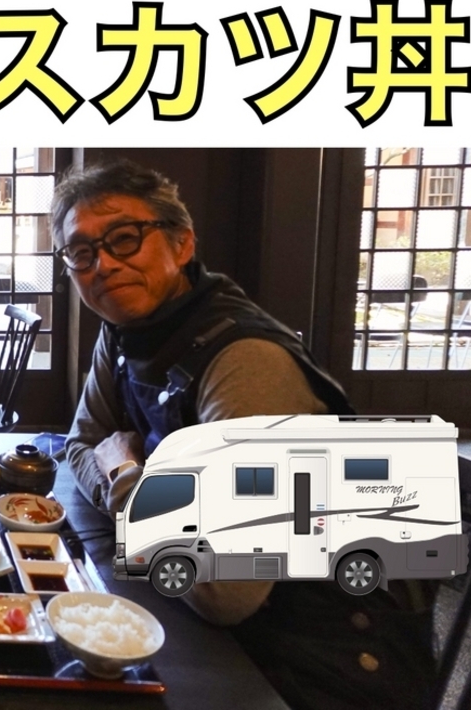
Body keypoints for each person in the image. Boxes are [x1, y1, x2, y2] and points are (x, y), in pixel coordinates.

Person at [54, 160, 435, 710]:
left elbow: (222, 590)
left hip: (317, 663)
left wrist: (125, 476)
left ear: (182, 243)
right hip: (224, 630)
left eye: (125, 239)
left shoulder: (245, 362)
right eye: (82, 252)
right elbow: (79, 443)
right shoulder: (124, 332)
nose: (104, 264)